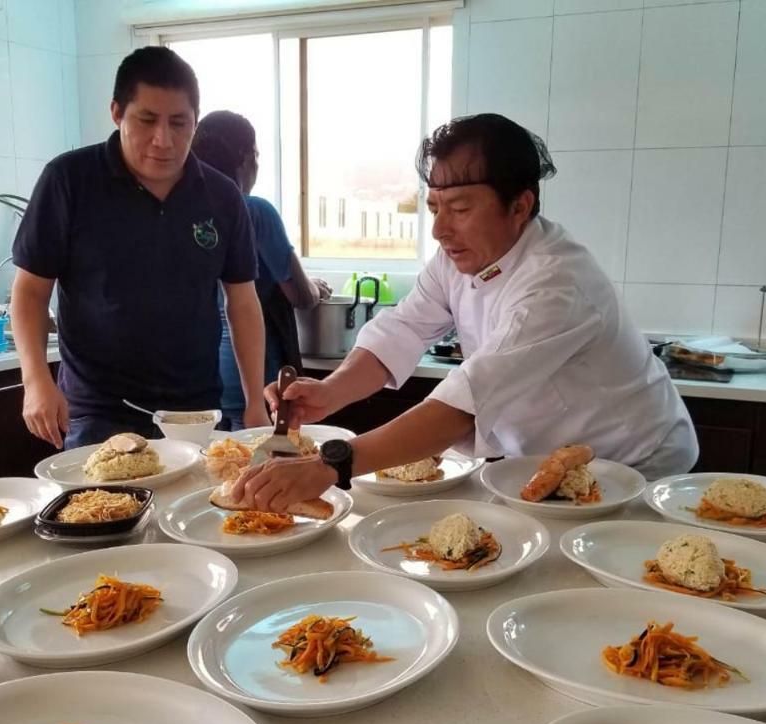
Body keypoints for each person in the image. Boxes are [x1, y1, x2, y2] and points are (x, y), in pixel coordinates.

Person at [231, 113, 697, 511]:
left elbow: (461, 408)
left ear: (520, 205)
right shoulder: (461, 258)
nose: (438, 229)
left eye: (458, 208)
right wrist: (329, 393)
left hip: (632, 461)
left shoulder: (557, 283)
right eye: (433, 207)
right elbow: (401, 330)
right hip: (541, 459)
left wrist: (333, 464)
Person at [10, 47, 269, 449]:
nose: (163, 140)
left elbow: (243, 302)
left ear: (195, 123)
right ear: (117, 112)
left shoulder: (221, 196)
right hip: (98, 412)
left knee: (196, 512)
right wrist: (36, 379)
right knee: (101, 512)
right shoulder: (70, 180)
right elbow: (30, 290)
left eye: (179, 123)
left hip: (195, 412)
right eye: (147, 120)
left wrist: (255, 401)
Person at [190, 110, 331, 430]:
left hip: (198, 384)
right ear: (245, 158)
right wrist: (316, 287)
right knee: (256, 474)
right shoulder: (254, 210)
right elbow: (300, 295)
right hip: (255, 384)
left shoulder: (186, 212)